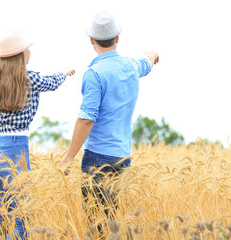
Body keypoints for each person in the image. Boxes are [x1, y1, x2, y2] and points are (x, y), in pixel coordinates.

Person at [60, 11, 159, 234]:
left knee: (97, 226)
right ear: (117, 38)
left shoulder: (94, 74)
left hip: (97, 159)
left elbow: (86, 119)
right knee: (113, 222)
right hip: (123, 158)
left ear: (91, 40)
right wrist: (153, 54)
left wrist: (69, 156)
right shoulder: (132, 66)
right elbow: (148, 61)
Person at [0, 31, 75, 240]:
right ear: (20, 54)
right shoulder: (29, 78)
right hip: (15, 149)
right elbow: (52, 82)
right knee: (21, 215)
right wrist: (64, 71)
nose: (29, 50)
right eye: (26, 48)